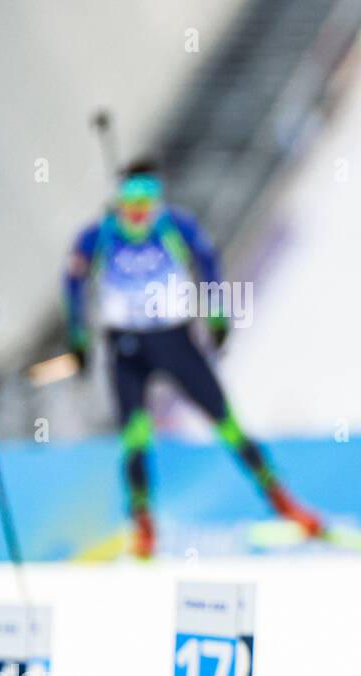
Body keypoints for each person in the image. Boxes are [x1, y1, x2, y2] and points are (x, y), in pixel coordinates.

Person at [64, 160, 324, 558]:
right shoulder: (99, 234)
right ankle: (143, 525)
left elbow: (208, 264)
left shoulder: (174, 225)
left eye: (147, 199)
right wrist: (79, 336)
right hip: (125, 346)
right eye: (130, 200)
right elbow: (73, 282)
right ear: (116, 201)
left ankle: (283, 502)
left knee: (227, 423)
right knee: (134, 436)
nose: (138, 210)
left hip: (174, 339)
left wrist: (217, 315)